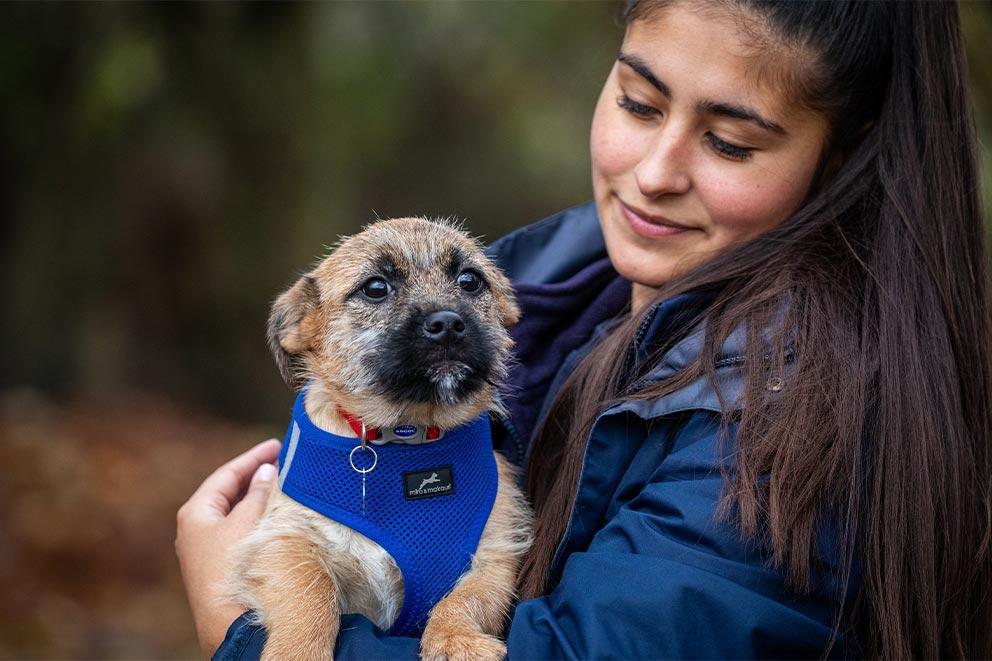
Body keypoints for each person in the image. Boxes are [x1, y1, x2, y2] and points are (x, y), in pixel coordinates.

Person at [176, 0, 992, 658]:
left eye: (729, 142)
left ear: (843, 155)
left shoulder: (804, 415)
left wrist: (240, 631)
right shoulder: (556, 278)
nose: (655, 172)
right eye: (638, 101)